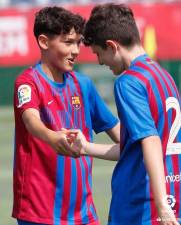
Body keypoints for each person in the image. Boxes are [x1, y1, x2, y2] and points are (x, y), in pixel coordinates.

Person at [69, 3, 181, 225]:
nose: (100, 62)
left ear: (112, 46)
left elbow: (150, 140)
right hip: (172, 194)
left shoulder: (129, 82)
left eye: (99, 54)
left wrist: (161, 205)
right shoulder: (163, 76)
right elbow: (135, 148)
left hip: (140, 204)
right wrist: (85, 148)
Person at [12, 6, 120, 225]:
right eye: (68, 42)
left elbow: (121, 134)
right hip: (39, 213)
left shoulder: (84, 85)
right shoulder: (27, 82)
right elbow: (31, 120)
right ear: (44, 42)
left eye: (78, 42)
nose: (77, 50)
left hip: (84, 214)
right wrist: (52, 137)